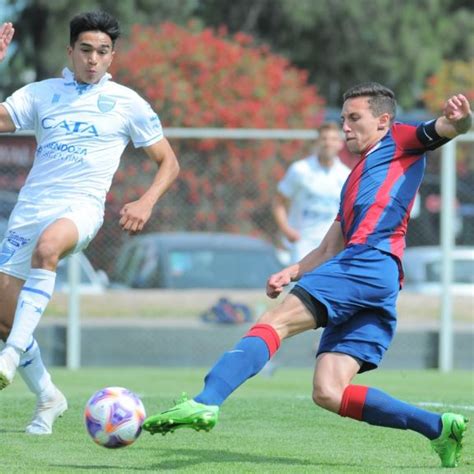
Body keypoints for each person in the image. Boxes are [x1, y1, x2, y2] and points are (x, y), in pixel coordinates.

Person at [143, 83, 472, 468]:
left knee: (275, 323)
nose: (345, 127)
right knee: (329, 391)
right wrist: (293, 270)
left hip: (366, 264)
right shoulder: (355, 179)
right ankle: (438, 427)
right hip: (376, 278)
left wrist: (460, 119)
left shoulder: (399, 139)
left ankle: (206, 401)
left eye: (354, 118)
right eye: (343, 119)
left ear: (383, 121)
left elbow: (447, 129)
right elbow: (329, 247)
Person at [0, 12, 179, 435]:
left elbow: (168, 163)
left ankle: (9, 356)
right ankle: (48, 396)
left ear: (111, 55)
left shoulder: (127, 102)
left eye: (102, 51)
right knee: (4, 317)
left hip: (81, 207)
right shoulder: (41, 93)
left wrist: (147, 201)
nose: (93, 59)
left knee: (49, 249)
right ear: (70, 51)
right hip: (29, 209)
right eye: (85, 50)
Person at [273, 122, 350, 264]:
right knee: (300, 285)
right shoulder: (300, 170)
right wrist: (286, 229)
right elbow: (279, 202)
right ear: (317, 142)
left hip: (332, 246)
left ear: (340, 144)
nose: (328, 143)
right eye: (324, 139)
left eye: (333, 139)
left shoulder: (346, 175)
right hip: (303, 244)